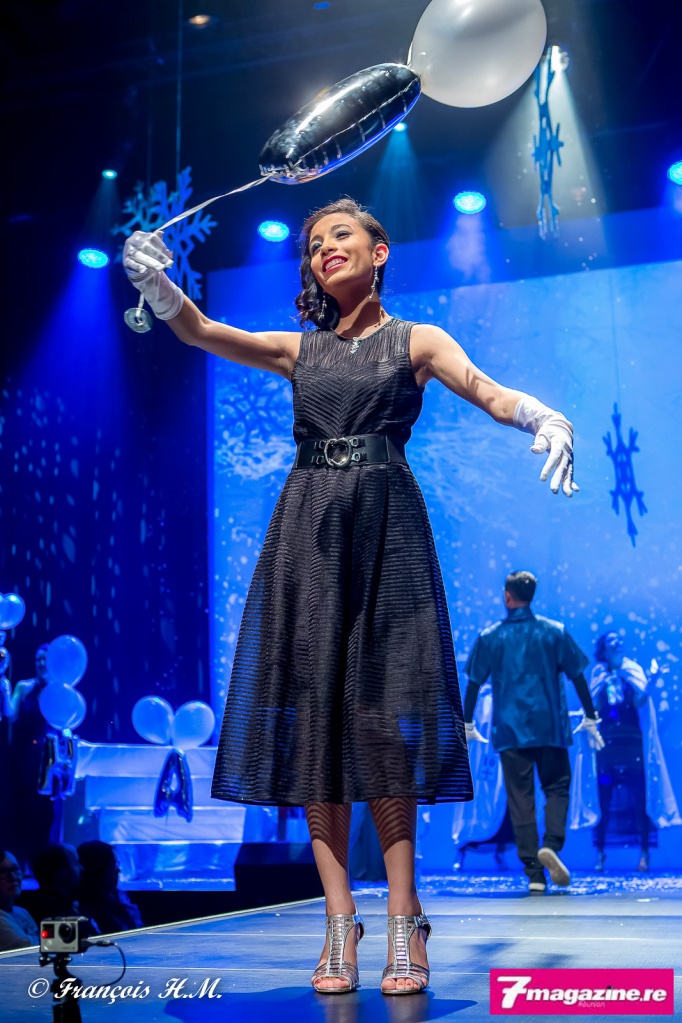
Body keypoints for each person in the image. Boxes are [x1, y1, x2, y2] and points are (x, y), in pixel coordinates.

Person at [123, 198, 578, 994]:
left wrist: (543, 417)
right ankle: (340, 920)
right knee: (314, 733)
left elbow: (487, 390)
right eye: (313, 243)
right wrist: (157, 283)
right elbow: (200, 331)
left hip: (387, 538)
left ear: (380, 251)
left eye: (341, 235)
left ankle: (405, 916)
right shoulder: (300, 348)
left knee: (381, 726)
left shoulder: (417, 340)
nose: (324, 248)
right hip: (307, 539)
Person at [463, 571, 604, 892]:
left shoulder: (490, 637)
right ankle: (551, 845)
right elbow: (578, 677)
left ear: (507, 596)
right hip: (549, 727)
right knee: (557, 787)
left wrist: (468, 723)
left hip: (510, 731)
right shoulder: (554, 632)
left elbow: (473, 684)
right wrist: (590, 715)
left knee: (520, 798)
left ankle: (534, 874)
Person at [588, 633, 680, 871]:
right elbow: (595, 707)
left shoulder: (632, 670)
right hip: (607, 747)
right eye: (612, 641)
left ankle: (644, 853)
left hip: (632, 747)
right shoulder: (599, 674)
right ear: (604, 650)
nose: (618, 644)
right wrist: (601, 687)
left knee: (639, 798)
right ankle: (600, 853)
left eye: (619, 640)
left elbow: (640, 701)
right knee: (604, 798)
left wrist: (652, 679)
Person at [5, 644, 54, 872]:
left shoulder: (59, 690)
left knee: (44, 811)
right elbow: (11, 716)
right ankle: (22, 862)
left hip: (49, 757)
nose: (41, 664)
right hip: (24, 755)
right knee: (23, 807)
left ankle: (42, 863)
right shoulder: (24, 687)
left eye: (45, 659)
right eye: (38, 659)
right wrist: (4, 689)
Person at [77, 841, 144, 934]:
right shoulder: (84, 914)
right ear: (97, 870)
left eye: (117, 864)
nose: (118, 870)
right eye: (113, 865)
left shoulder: (118, 899)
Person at [0, 849, 39, 952]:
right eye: (2, 872)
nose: (12, 877)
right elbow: (27, 949)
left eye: (15, 869)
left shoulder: (22, 912)